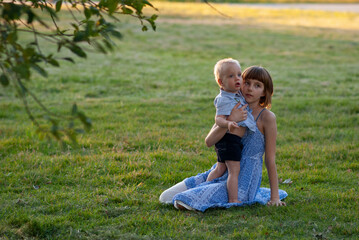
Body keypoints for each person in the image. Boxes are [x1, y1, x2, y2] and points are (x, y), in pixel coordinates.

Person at [159, 66, 287, 211]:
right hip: (221, 169)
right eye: (247, 83)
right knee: (165, 197)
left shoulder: (267, 117)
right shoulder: (231, 107)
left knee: (183, 200)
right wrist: (231, 119)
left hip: (243, 180)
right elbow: (209, 141)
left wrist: (275, 197)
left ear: (264, 92)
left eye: (257, 86)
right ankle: (207, 187)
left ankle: (218, 194)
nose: (250, 89)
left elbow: (270, 159)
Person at [207, 58, 256, 204]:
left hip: (231, 140)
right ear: (221, 83)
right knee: (234, 171)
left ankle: (205, 187)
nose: (237, 79)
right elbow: (218, 119)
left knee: (220, 169)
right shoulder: (223, 99)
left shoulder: (236, 93)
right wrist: (228, 123)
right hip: (229, 140)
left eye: (239, 75)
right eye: (231, 76)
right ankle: (233, 200)